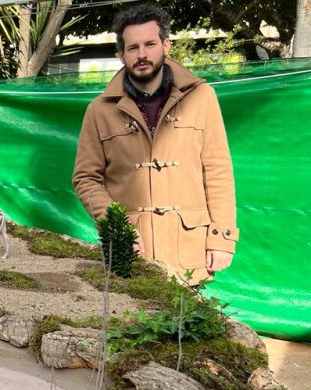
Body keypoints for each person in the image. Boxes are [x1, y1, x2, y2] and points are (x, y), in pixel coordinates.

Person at [72, 4, 239, 285]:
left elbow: (218, 170)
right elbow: (85, 178)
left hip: (189, 249)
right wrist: (116, 227)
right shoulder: (99, 110)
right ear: (121, 54)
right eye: (132, 47)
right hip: (131, 253)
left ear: (165, 45)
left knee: (185, 327)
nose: (142, 54)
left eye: (150, 44)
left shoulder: (202, 97)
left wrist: (222, 237)